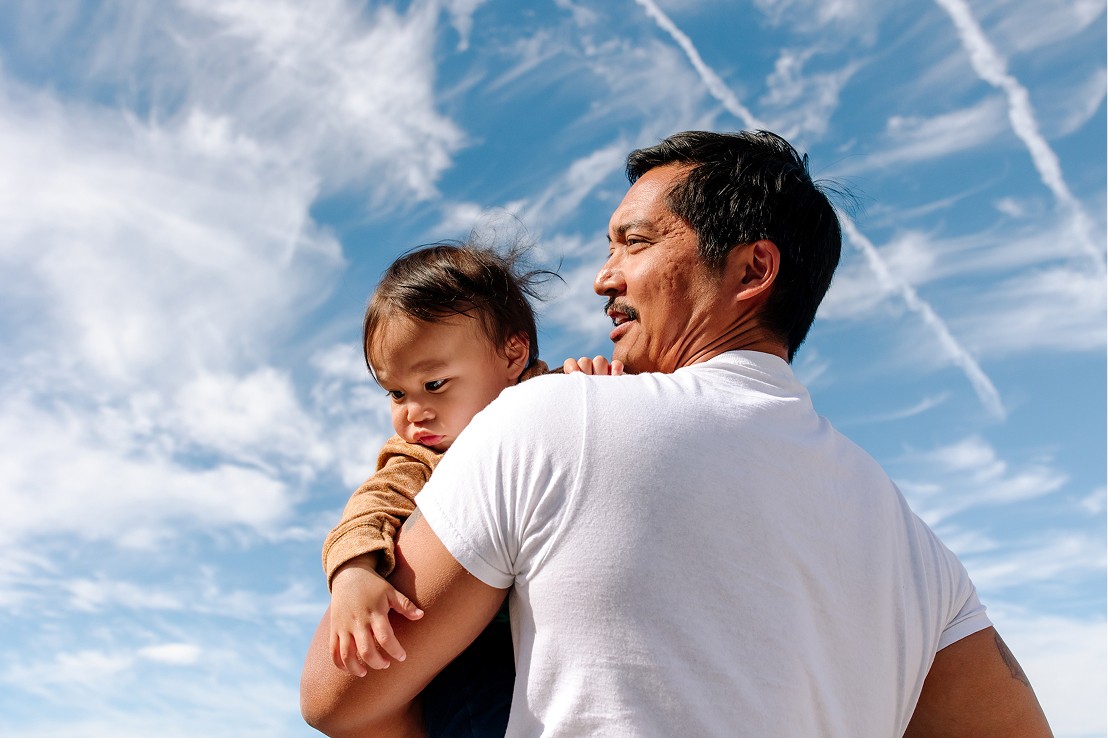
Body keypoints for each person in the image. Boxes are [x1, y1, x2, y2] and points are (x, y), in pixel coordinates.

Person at [301, 131, 1053, 737]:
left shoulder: (545, 419)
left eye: (633, 242)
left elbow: (338, 696)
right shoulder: (913, 545)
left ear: (753, 267)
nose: (603, 278)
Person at [319, 241, 566, 735]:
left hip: (554, 642)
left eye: (434, 385)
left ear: (513, 353)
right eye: (396, 393)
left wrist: (596, 377)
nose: (413, 412)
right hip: (473, 657)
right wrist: (353, 574)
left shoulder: (557, 401)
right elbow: (372, 507)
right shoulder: (424, 455)